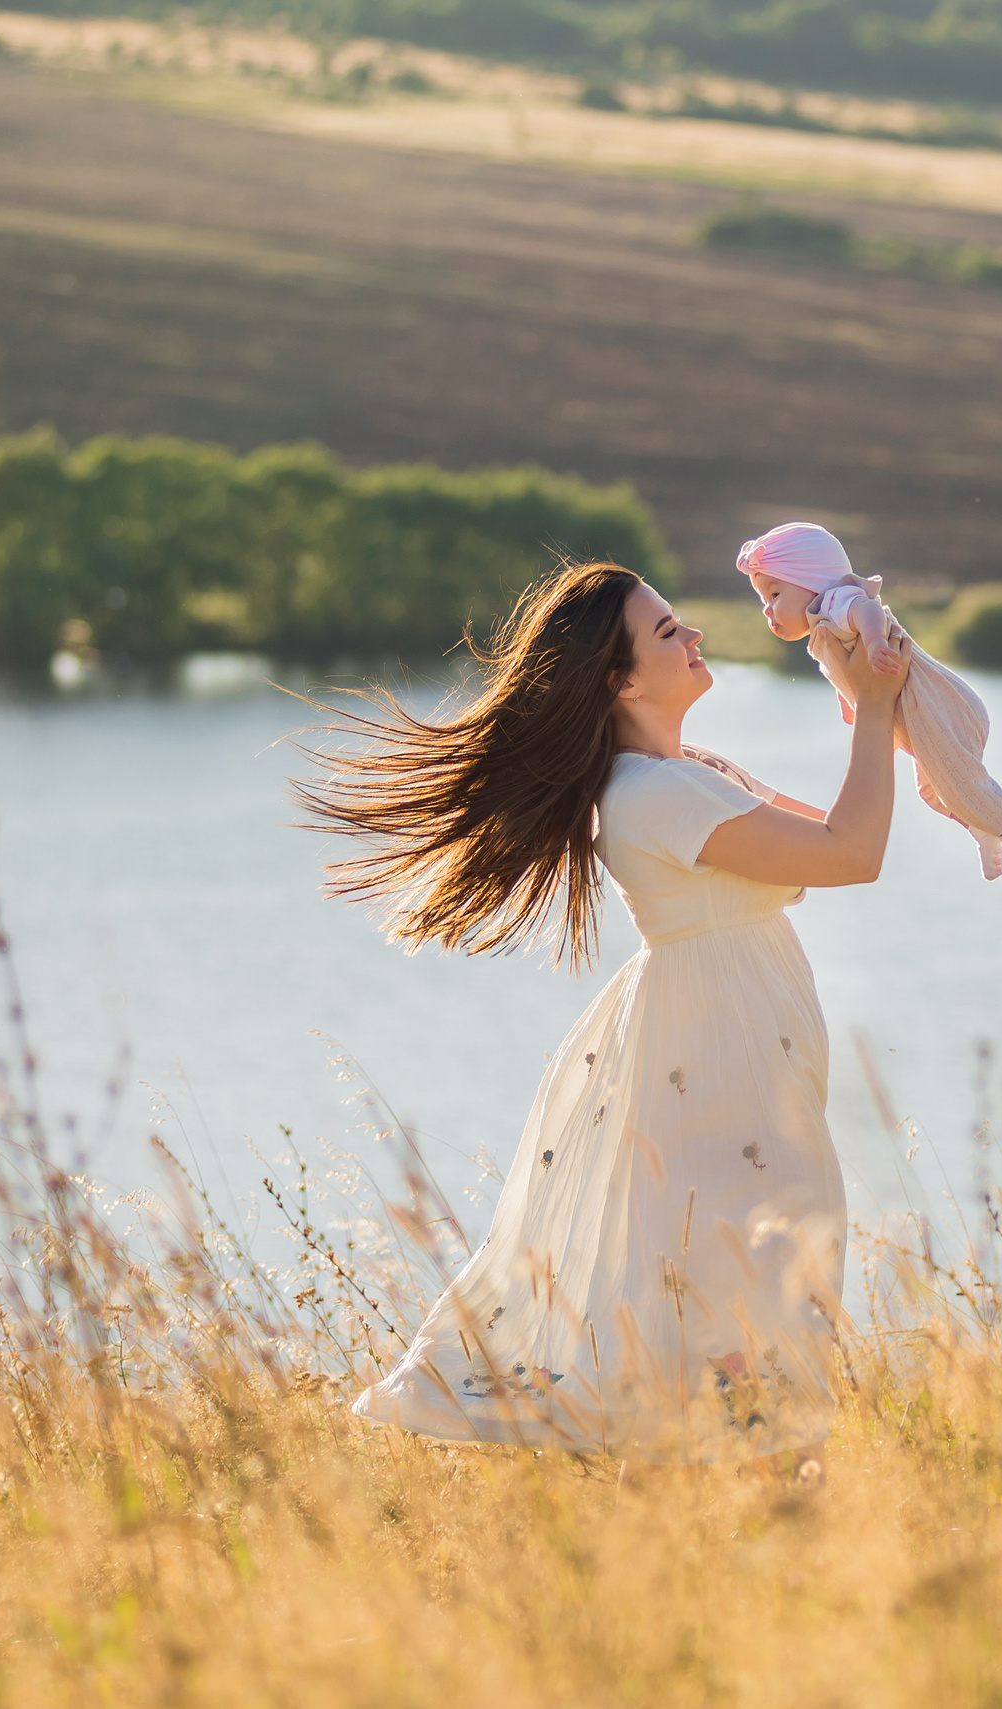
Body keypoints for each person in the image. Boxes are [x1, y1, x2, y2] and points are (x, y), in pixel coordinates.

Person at [297, 559, 908, 1479]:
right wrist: (877, 701)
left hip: (726, 1043)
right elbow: (854, 853)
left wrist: (857, 684)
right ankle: (772, 1515)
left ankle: (706, 1522)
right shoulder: (659, 795)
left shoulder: (683, 775)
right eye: (668, 632)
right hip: (719, 1056)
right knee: (757, 1286)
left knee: (729, 1293)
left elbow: (826, 835)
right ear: (621, 678)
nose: (695, 634)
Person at [739, 522, 1002, 889]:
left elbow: (867, 611)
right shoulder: (823, 625)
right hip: (920, 721)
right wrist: (852, 703)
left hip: (938, 709)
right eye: (763, 601)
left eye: (774, 594)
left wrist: (877, 641)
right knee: (933, 792)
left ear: (812, 580)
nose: (768, 610)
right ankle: (983, 829)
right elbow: (845, 673)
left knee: (957, 779)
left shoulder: (836, 602)